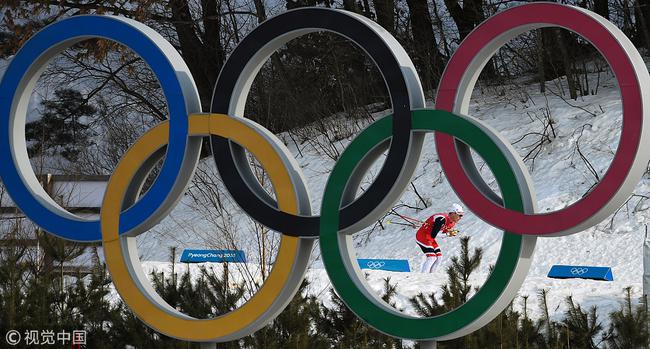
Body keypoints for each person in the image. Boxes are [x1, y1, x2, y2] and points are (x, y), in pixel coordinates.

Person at [416, 203, 464, 273]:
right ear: (453, 213)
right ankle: (423, 275)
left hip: (430, 238)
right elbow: (434, 234)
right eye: (459, 215)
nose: (460, 217)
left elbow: (441, 234)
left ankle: (432, 275)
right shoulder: (441, 219)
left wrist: (449, 233)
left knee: (439, 258)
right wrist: (448, 234)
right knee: (432, 257)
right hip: (422, 235)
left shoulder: (452, 223)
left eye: (462, 215)